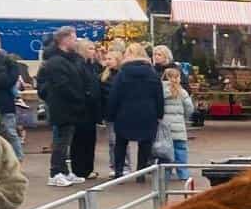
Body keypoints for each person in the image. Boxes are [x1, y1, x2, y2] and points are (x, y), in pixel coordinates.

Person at [36, 26, 89, 187]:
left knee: (65, 140)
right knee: (61, 141)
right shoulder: (55, 62)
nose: (76, 41)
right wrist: (79, 97)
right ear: (64, 40)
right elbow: (63, 85)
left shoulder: (70, 59)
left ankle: (64, 171)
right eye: (73, 38)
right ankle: (55, 173)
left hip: (70, 107)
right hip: (61, 107)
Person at [106, 42, 163, 178]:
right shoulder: (152, 73)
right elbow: (158, 95)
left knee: (121, 143)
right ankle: (141, 173)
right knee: (145, 144)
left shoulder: (122, 74)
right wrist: (159, 113)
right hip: (147, 112)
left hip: (124, 112)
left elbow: (115, 95)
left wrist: (110, 114)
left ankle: (119, 171)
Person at [69, 39, 103, 181]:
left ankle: (87, 169)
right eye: (90, 48)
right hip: (83, 108)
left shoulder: (91, 65)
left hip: (90, 108)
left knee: (89, 139)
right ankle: (80, 170)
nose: (93, 51)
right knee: (80, 140)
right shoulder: (78, 65)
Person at [160, 68, 195, 182]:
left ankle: (165, 174)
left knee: (166, 152)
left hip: (165, 127)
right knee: (181, 150)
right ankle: (183, 173)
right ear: (178, 78)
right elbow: (189, 107)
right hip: (179, 126)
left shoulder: (160, 90)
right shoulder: (182, 91)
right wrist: (184, 117)